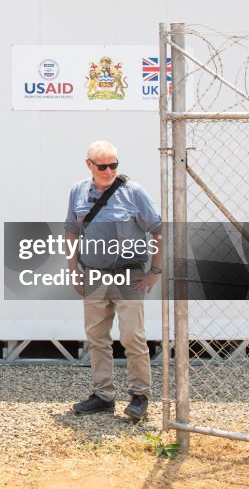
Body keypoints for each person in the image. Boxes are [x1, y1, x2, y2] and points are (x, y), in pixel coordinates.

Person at [64, 140, 162, 422]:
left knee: (133, 338)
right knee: (97, 338)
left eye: (114, 165)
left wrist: (154, 270)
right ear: (89, 165)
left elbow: (158, 231)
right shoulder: (77, 192)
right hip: (93, 275)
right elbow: (71, 231)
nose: (109, 171)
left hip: (129, 276)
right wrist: (73, 268)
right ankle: (103, 396)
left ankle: (140, 397)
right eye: (103, 166)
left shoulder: (134, 192)